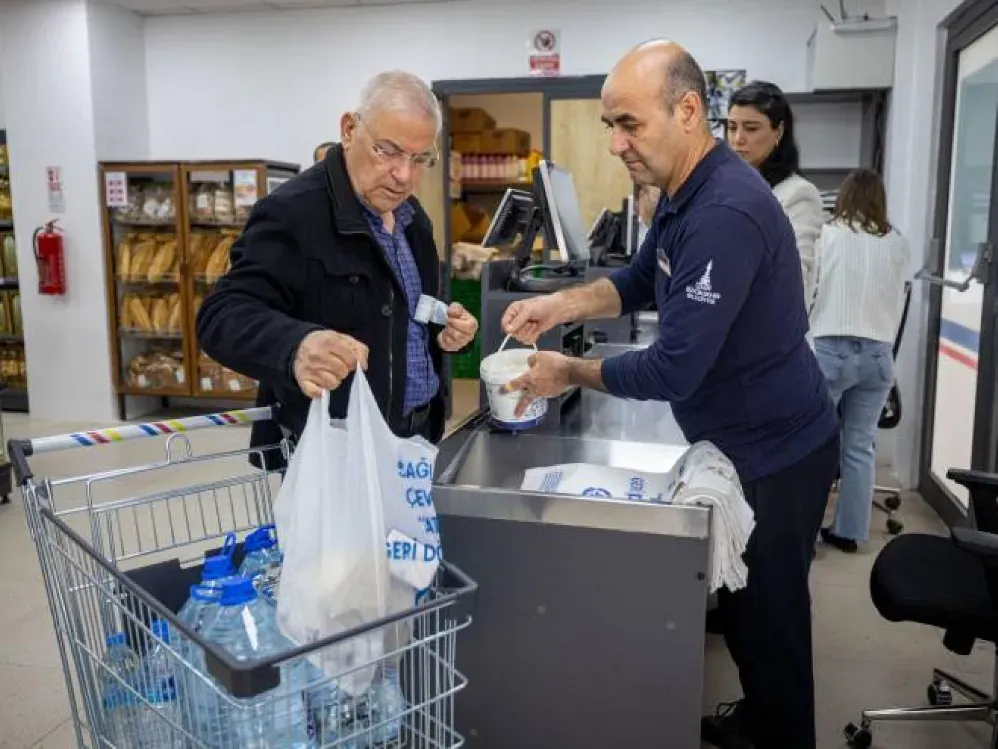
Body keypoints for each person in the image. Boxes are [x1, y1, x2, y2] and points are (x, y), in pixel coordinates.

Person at [500, 40, 839, 749]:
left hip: (777, 453)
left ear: (688, 110)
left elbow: (672, 370)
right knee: (745, 616)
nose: (618, 144)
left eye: (630, 124)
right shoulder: (684, 197)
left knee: (772, 627)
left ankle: (781, 732)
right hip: (742, 438)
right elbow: (638, 281)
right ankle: (756, 717)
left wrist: (568, 373)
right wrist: (561, 305)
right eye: (609, 127)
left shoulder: (724, 211)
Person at [197, 71, 479, 463]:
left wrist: (442, 325)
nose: (404, 176)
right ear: (349, 129)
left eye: (419, 159)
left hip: (417, 437)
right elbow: (220, 316)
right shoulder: (293, 212)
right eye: (389, 151)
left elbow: (407, 309)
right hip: (335, 452)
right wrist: (295, 346)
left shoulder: (414, 218)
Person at [810, 169, 911, 553]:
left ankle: (805, 532)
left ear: (844, 199)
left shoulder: (827, 234)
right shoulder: (899, 243)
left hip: (831, 351)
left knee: (815, 444)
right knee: (859, 446)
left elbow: (811, 287)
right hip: (878, 357)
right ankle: (849, 532)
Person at [727, 81, 825, 311]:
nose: (738, 139)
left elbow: (794, 283)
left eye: (751, 128)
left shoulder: (798, 195)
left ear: (778, 132)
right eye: (732, 127)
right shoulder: (729, 191)